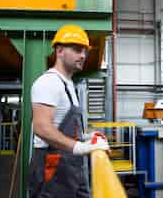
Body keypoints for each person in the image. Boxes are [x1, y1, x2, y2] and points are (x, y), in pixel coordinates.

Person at [28, 24, 110, 198]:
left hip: (70, 167)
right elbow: (42, 128)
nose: (83, 55)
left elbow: (62, 126)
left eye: (85, 51)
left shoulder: (68, 85)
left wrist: (88, 137)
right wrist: (80, 147)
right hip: (52, 168)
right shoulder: (48, 83)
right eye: (77, 49)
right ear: (59, 50)